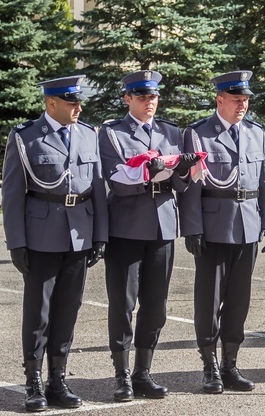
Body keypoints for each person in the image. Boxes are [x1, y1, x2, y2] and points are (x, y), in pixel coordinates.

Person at [2, 75, 108, 412]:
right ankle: (33, 383)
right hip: (40, 237)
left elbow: (98, 190)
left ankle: (57, 380)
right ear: (51, 103)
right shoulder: (25, 137)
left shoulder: (88, 135)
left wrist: (100, 235)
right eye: (71, 102)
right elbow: (12, 194)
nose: (78, 107)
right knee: (38, 313)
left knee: (67, 310)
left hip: (79, 234)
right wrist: (16, 243)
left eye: (79, 102)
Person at [99, 70, 197, 402]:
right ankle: (122, 374)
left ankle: (143, 371)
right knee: (123, 305)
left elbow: (181, 185)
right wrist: (150, 172)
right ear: (127, 99)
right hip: (126, 228)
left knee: (156, 306)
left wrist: (183, 168)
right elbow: (116, 179)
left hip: (162, 227)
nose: (149, 102)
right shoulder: (112, 132)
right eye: (142, 97)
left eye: (153, 97)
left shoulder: (171, 131)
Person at [179, 70, 265, 394]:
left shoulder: (255, 133)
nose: (243, 105)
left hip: (248, 226)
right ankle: (209, 367)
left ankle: (230, 364)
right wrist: (192, 228)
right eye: (237, 99)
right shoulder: (198, 135)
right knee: (209, 301)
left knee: (239, 301)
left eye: (246, 99)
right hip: (213, 228)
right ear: (220, 99)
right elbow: (191, 187)